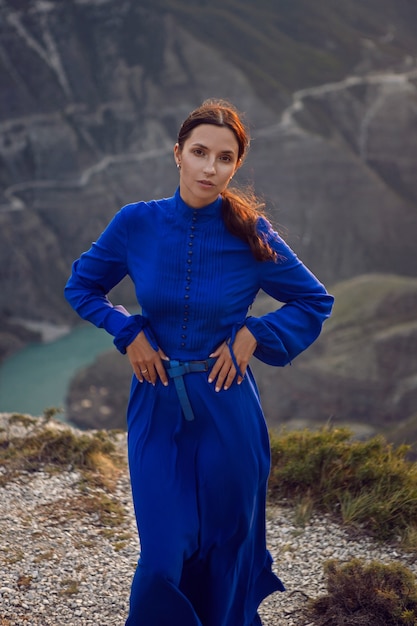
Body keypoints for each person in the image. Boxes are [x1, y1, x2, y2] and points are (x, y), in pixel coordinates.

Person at [64, 98, 334, 626]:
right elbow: (83, 285)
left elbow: (314, 300)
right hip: (156, 406)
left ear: (236, 166)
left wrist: (255, 334)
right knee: (162, 558)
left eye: (225, 158)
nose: (210, 168)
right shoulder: (135, 223)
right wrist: (128, 332)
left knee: (224, 555)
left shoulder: (252, 233)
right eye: (200, 152)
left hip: (228, 411)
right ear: (178, 155)